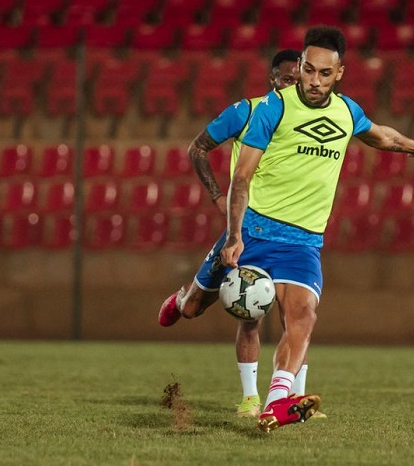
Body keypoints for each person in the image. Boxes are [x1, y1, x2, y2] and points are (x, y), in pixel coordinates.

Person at [219, 26, 414, 433]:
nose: (314, 81)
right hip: (257, 231)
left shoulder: (346, 112)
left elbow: (380, 136)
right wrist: (234, 234)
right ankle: (186, 305)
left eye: (325, 73)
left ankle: (274, 404)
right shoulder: (273, 108)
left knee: (303, 316)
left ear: (340, 73)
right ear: (300, 67)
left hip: (303, 242)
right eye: (308, 70)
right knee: (231, 313)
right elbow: (241, 177)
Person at [158, 49, 313, 419]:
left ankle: (276, 398)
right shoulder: (248, 111)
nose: (293, 85)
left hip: (290, 232)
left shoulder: (312, 119)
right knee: (214, 309)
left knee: (295, 314)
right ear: (273, 80)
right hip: (248, 228)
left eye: (298, 79)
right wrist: (217, 197)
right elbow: (198, 148)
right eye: (286, 79)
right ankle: (181, 301)